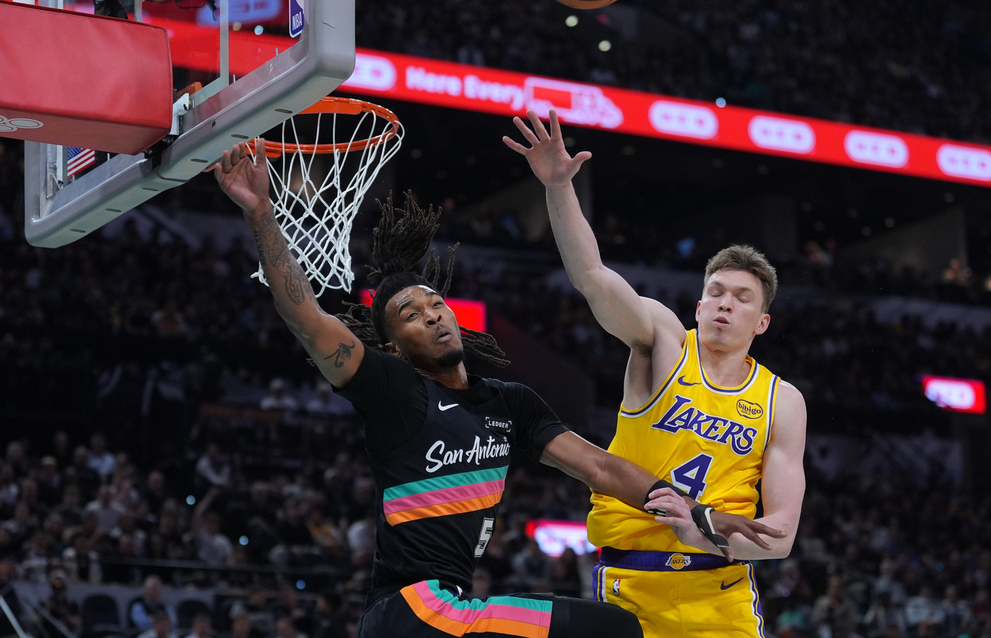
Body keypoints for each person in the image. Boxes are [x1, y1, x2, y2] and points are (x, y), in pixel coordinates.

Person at [211, 140, 779, 638]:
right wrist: (262, 213)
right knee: (614, 628)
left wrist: (699, 513)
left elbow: (602, 470)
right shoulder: (390, 387)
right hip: (411, 612)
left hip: (447, 611)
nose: (433, 315)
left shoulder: (509, 402)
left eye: (436, 303)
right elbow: (307, 320)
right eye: (411, 314)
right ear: (392, 345)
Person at [504, 109, 807, 637]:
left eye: (741, 299)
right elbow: (594, 278)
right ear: (696, 306)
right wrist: (558, 189)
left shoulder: (783, 400)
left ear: (761, 322)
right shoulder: (662, 341)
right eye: (715, 292)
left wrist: (698, 533)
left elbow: (779, 537)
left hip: (721, 592)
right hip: (631, 586)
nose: (724, 305)